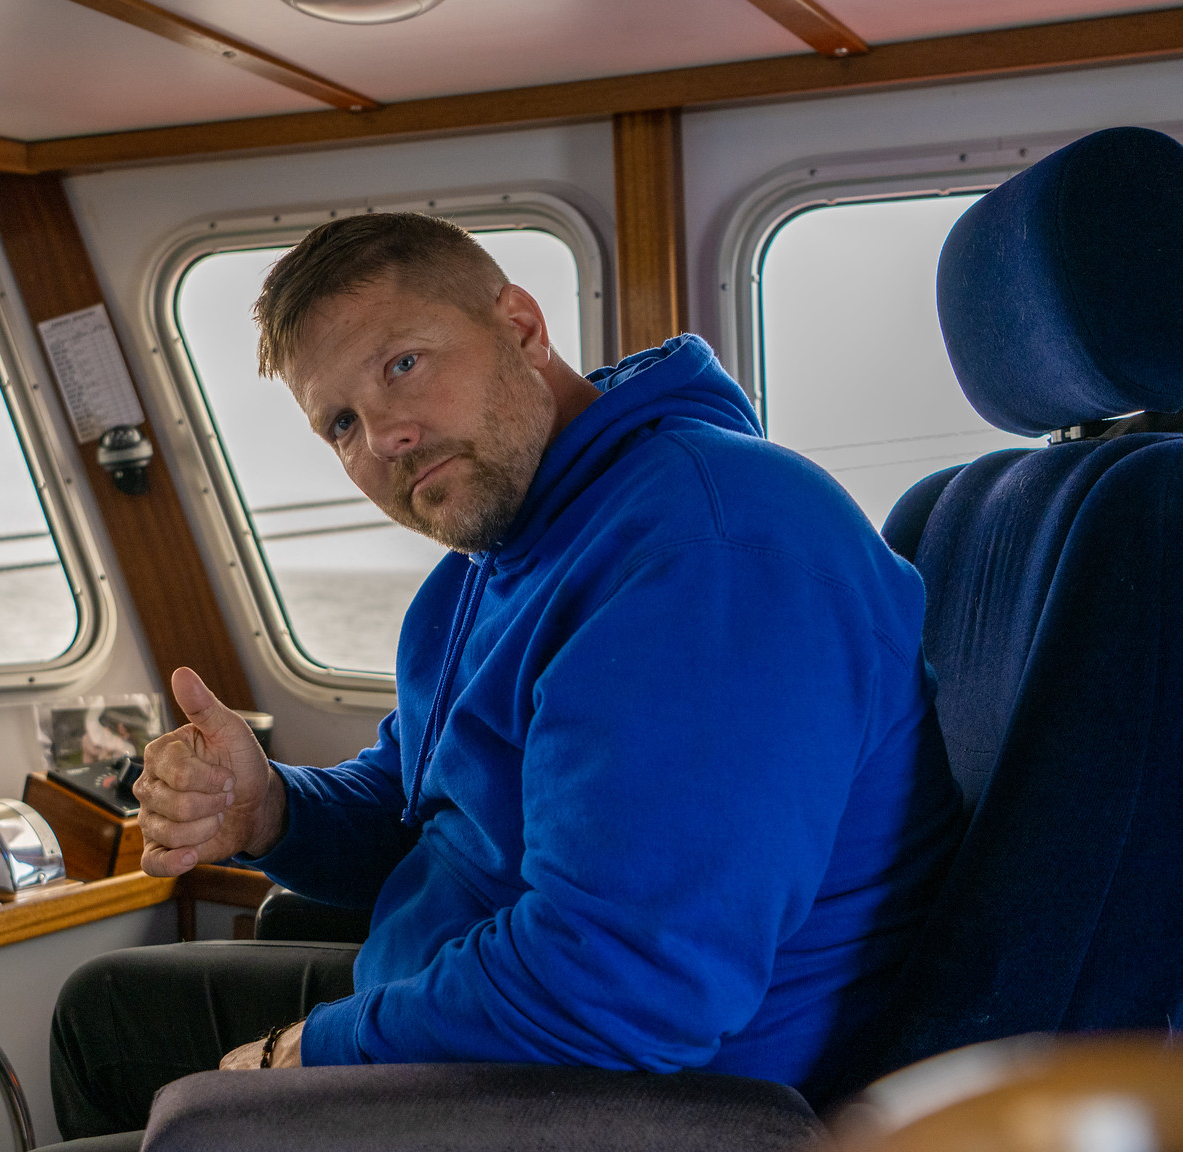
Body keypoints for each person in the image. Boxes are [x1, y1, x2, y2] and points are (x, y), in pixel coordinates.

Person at [47, 213, 962, 1140]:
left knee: (193, 1117)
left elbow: (624, 983)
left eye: (402, 364)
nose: (386, 438)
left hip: (640, 1095)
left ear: (521, 327)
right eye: (342, 423)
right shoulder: (492, 563)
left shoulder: (708, 550)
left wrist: (310, 1051)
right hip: (482, 1005)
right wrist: (269, 809)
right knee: (107, 1010)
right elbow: (420, 808)